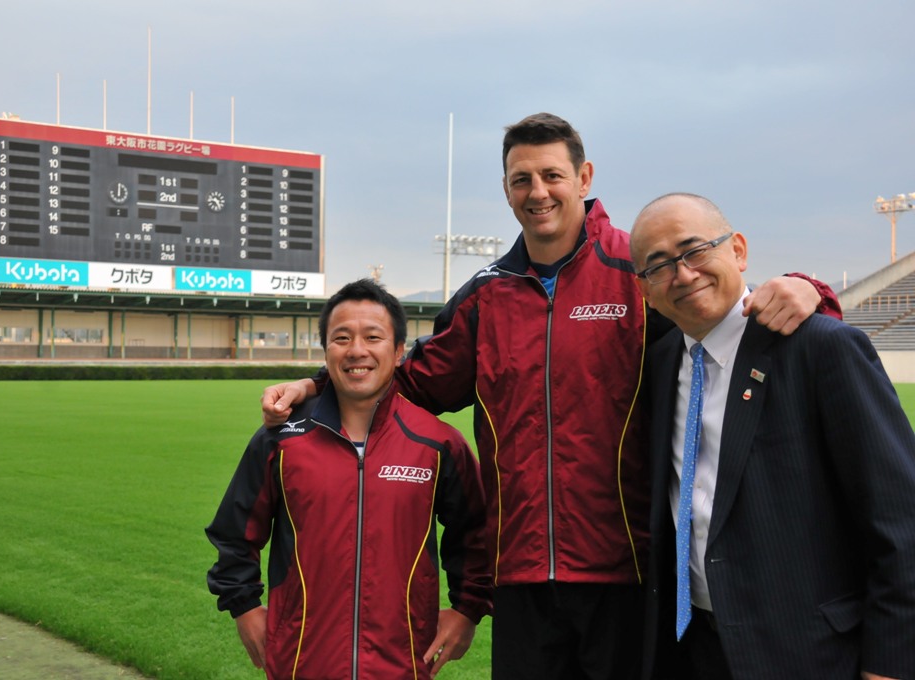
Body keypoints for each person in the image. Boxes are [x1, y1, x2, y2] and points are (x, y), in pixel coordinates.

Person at [262, 114, 840, 679]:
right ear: (508, 192)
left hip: (628, 569)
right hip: (520, 573)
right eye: (521, 180)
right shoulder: (486, 295)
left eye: (552, 176)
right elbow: (410, 380)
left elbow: (725, 313)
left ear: (584, 179)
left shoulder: (635, 270)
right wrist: (316, 383)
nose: (537, 192)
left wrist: (807, 289)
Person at [630, 193, 915, 680]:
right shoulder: (658, 365)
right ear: (646, 291)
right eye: (658, 266)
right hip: (692, 647)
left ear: (738, 251)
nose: (683, 273)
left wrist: (888, 666)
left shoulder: (822, 349)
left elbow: (900, 520)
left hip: (808, 652)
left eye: (695, 250)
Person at [206, 278, 492, 679]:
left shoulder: (439, 443)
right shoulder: (280, 441)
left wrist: (467, 609)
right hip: (301, 659)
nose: (357, 350)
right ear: (326, 351)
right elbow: (236, 532)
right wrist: (245, 607)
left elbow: (475, 534)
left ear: (397, 353)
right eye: (342, 338)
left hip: (403, 661)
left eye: (373, 337)